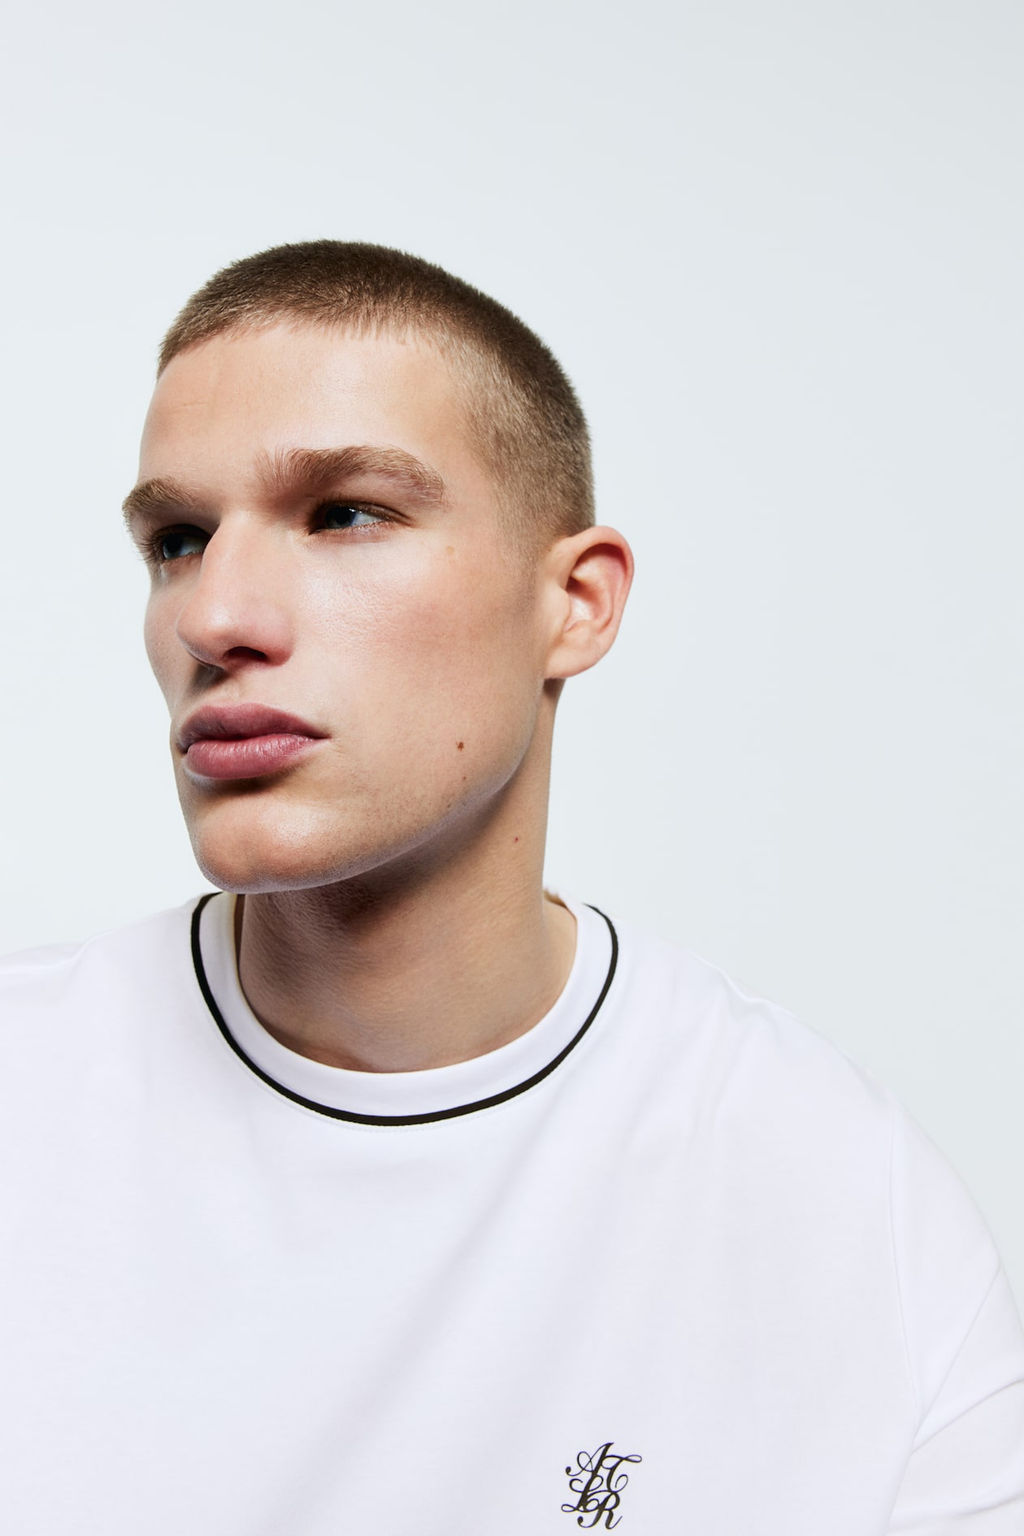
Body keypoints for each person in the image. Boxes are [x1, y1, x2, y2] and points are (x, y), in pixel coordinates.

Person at [0, 241, 1021, 1534]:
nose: (216, 616)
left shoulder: (843, 1209)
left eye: (345, 514)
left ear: (576, 605)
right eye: (179, 540)